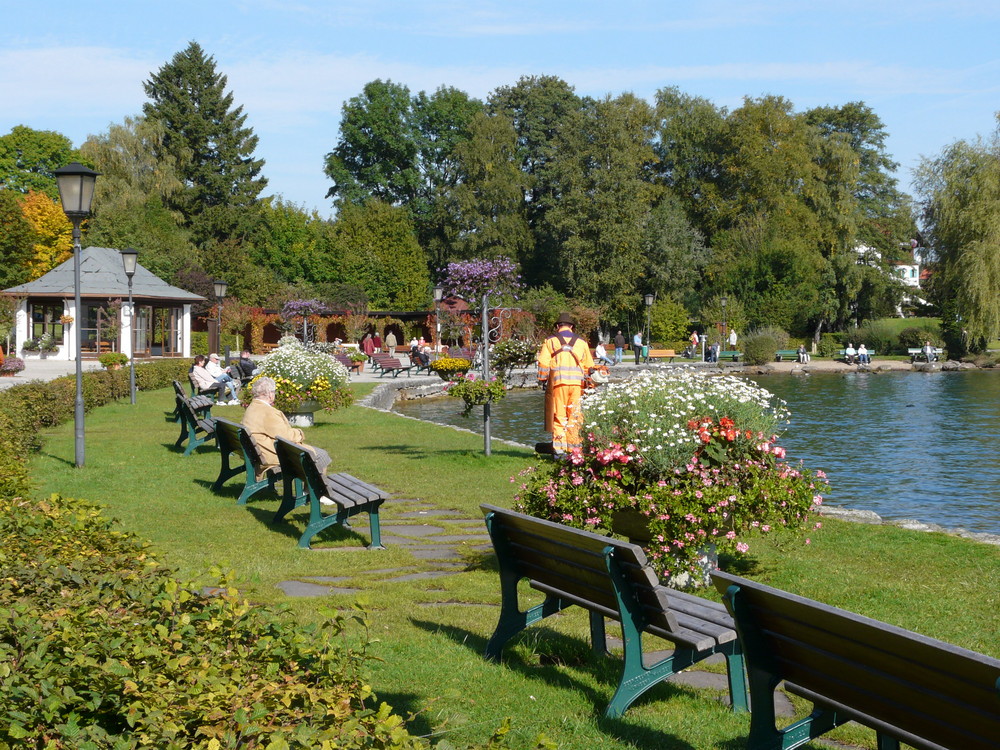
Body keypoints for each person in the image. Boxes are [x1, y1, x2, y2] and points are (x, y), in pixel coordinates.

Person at [242, 377, 335, 502]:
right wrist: (300, 433)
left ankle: (309, 492)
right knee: (320, 455)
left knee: (312, 453)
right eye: (274, 391)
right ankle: (317, 494)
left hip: (260, 452)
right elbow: (285, 437)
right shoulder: (268, 412)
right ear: (269, 394)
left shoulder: (253, 407)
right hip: (272, 454)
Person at [537, 312, 595, 456]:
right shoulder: (582, 342)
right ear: (572, 327)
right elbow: (589, 366)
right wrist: (591, 386)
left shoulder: (550, 341)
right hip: (577, 385)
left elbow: (543, 362)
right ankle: (575, 450)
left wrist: (543, 380)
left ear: (558, 326)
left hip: (558, 384)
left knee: (559, 417)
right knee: (575, 416)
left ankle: (559, 450)